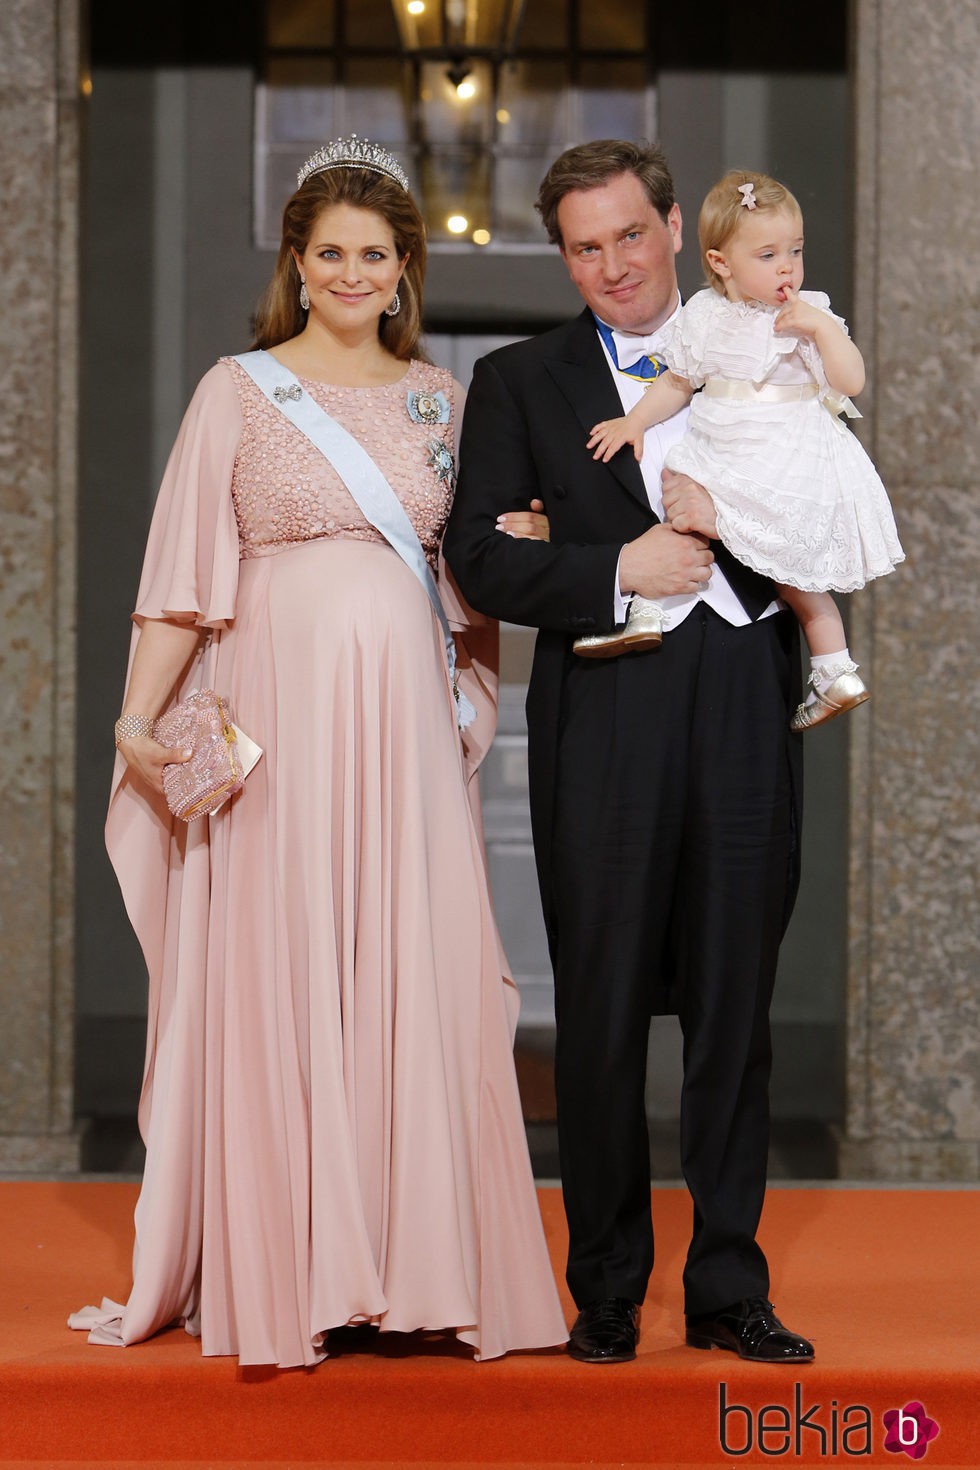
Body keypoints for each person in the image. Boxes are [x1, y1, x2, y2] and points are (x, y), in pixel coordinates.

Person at [69, 137, 567, 1368]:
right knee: (284, 959)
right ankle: (294, 1268)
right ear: (298, 262)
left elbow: (474, 587)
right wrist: (138, 722)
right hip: (276, 724)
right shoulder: (235, 389)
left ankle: (411, 1269)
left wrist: (469, 689)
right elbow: (182, 580)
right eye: (330, 252)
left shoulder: (443, 404)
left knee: (405, 958)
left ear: (403, 271)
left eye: (376, 255)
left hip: (396, 729)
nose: (352, 272)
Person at [443, 139, 814, 1365]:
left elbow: (827, 496)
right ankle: (604, 1287)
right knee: (597, 1012)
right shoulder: (517, 380)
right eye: (582, 246)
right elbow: (479, 559)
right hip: (604, 718)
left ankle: (726, 1290)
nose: (609, 263)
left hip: (744, 707)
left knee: (731, 1010)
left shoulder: (765, 343)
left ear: (676, 231)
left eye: (628, 235)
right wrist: (610, 566)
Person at [583, 169, 904, 730]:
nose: (787, 267)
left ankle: (834, 666)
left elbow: (850, 380)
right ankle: (652, 608)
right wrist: (635, 421)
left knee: (797, 576)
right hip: (723, 446)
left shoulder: (807, 313)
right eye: (768, 254)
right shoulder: (706, 315)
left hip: (781, 457)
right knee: (677, 490)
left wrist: (823, 331)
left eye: (795, 251)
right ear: (722, 263)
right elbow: (678, 381)